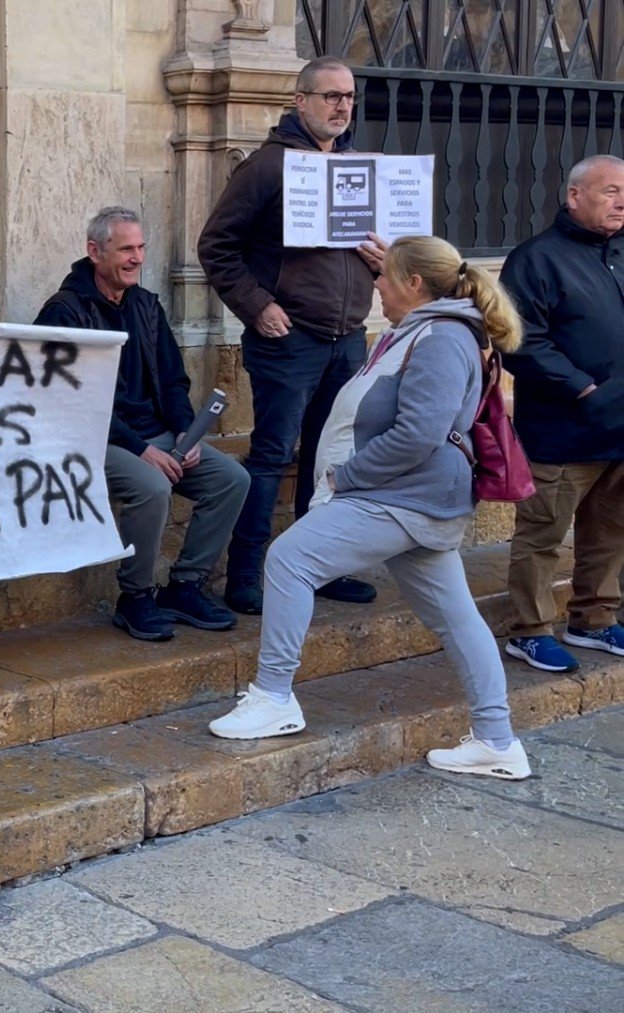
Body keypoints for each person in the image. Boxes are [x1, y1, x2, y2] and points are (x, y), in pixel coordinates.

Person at [210, 236, 532, 780]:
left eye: (383, 277)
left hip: (402, 497)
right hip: (415, 498)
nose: (375, 286)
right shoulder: (426, 331)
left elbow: (420, 434)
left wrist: (347, 476)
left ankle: (274, 698)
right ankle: (497, 741)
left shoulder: (442, 338)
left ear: (413, 284)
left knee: (289, 559)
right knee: (456, 618)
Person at [198, 55, 389, 615]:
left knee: (331, 459)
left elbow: (377, 251)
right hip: (288, 339)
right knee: (272, 455)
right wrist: (257, 307)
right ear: (299, 101)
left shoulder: (358, 165)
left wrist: (384, 264)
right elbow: (217, 248)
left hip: (348, 338)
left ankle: (320, 567)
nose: (341, 106)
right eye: (329, 95)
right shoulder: (266, 166)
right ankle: (246, 575)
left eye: (349, 96)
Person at [35, 207, 249, 641]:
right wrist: (141, 450)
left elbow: (173, 382)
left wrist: (189, 435)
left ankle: (185, 585)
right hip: (97, 439)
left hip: (156, 433)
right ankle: (134, 597)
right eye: (126, 249)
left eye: (141, 248)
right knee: (151, 487)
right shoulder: (65, 311)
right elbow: (68, 401)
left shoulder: (146, 306)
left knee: (232, 478)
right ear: (94, 252)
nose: (137, 258)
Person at [497, 154, 624, 674]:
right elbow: (519, 340)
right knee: (542, 535)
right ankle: (528, 631)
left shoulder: (619, 251)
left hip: (620, 429)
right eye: (610, 190)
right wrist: (583, 389)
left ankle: (594, 617)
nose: (621, 200)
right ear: (574, 195)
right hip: (563, 429)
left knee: (611, 530)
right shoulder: (535, 259)